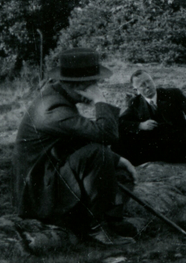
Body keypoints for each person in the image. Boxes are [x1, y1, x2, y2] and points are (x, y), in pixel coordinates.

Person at [12, 47, 137, 245]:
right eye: (93, 83)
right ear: (78, 84)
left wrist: (119, 160)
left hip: (50, 175)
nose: (97, 87)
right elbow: (107, 134)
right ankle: (95, 230)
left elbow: (75, 139)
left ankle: (109, 220)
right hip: (38, 195)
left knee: (106, 157)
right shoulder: (52, 108)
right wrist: (100, 101)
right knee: (98, 153)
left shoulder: (57, 96)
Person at [114, 68, 186, 165]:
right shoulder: (135, 102)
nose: (148, 86)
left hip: (178, 141)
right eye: (142, 85)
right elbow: (121, 122)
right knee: (121, 137)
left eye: (149, 81)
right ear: (136, 90)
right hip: (156, 145)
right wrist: (140, 125)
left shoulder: (173, 94)